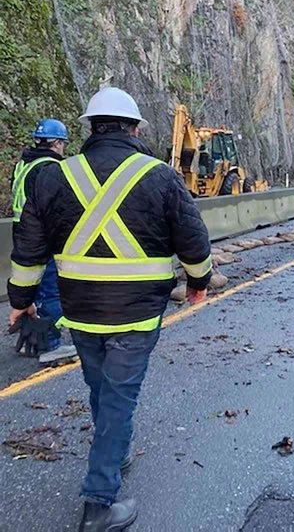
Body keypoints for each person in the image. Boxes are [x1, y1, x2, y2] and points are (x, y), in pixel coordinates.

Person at [7, 87, 212, 532]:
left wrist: (20, 303)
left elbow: (27, 251)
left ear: (90, 129)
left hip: (80, 312)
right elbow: (194, 242)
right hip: (137, 316)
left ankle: (114, 452)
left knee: (102, 388)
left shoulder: (55, 177)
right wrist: (197, 283)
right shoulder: (160, 176)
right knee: (118, 397)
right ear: (135, 128)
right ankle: (99, 502)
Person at [10, 119, 78, 365]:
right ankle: (51, 345)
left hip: (23, 234)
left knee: (31, 288)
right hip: (43, 237)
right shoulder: (49, 168)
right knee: (50, 290)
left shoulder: (24, 164)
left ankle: (33, 340)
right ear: (58, 143)